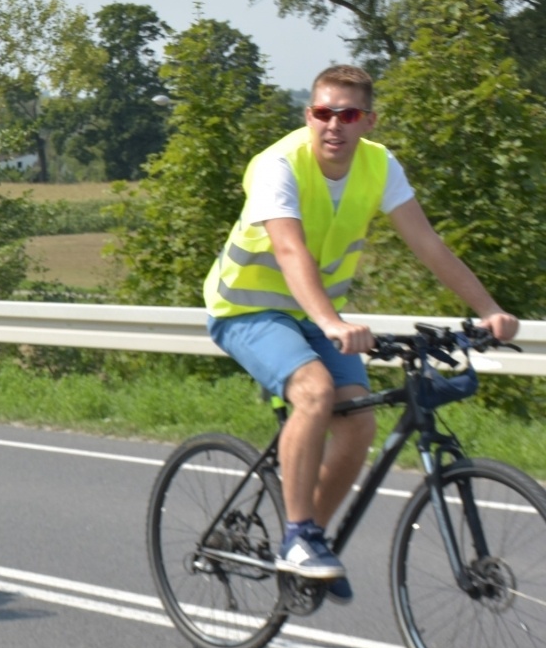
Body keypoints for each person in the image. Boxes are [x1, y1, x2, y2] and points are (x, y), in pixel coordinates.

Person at [204, 64, 519, 603]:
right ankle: (299, 536)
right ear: (309, 115)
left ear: (367, 121)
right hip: (248, 310)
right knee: (316, 392)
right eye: (323, 112)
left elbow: (428, 244)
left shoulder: (378, 166)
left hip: (319, 315)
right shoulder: (278, 164)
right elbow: (289, 249)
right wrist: (330, 323)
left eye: (347, 115)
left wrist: (488, 309)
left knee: (358, 423)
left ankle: (308, 542)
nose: (334, 125)